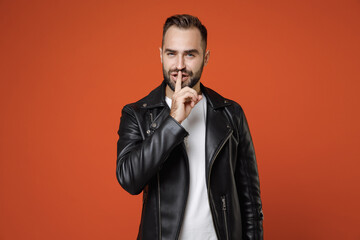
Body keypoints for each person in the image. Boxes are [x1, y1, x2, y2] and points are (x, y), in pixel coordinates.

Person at [116, 14, 263, 240]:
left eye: (190, 54)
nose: (180, 65)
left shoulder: (230, 114)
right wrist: (173, 121)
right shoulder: (138, 114)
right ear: (160, 55)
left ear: (206, 57)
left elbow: (251, 203)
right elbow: (130, 179)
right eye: (171, 53)